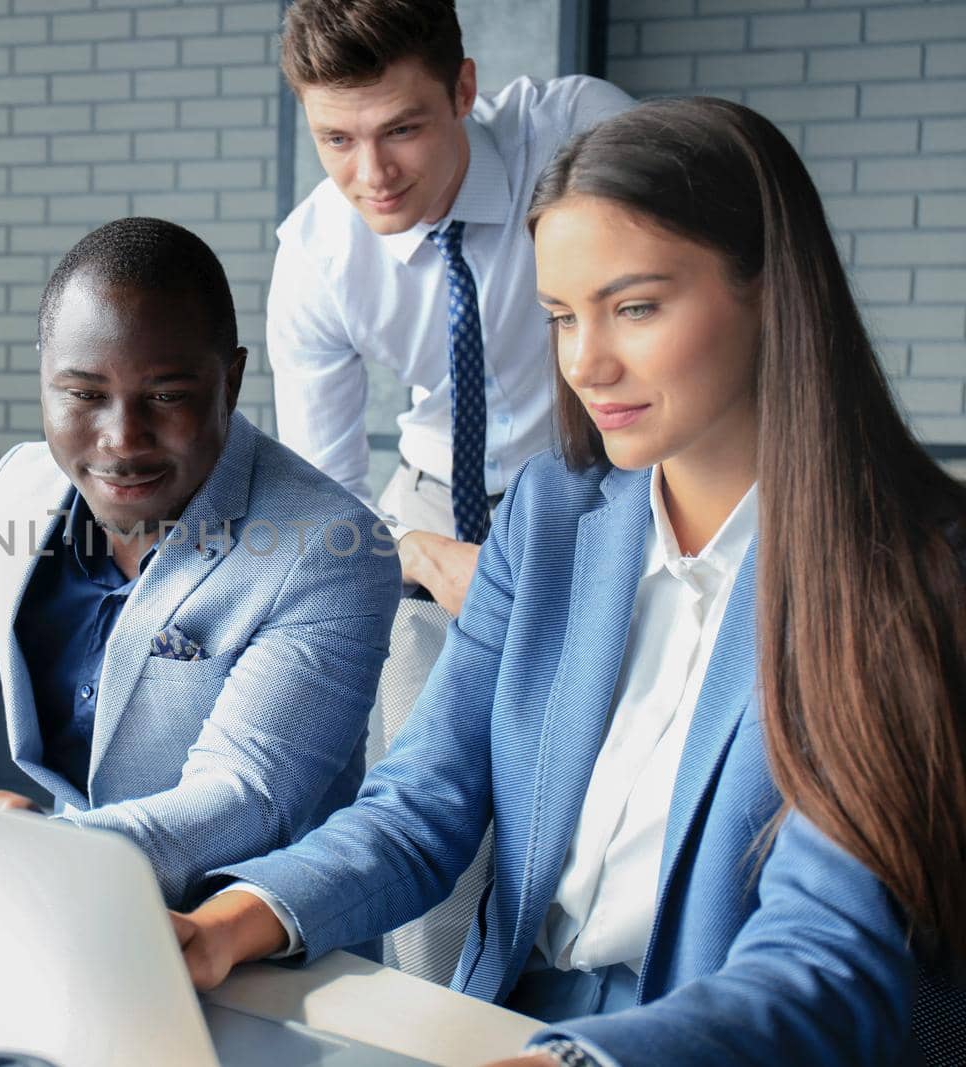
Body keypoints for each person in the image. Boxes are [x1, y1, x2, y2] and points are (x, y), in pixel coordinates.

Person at [171, 97, 965, 1065]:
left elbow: (823, 959)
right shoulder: (551, 516)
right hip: (502, 1022)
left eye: (634, 306)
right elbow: (421, 803)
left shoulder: (908, 571)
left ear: (767, 289)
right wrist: (229, 919)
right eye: (558, 316)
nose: (586, 362)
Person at [0, 217, 401, 908]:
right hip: (56, 918)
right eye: (82, 394)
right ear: (45, 380)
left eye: (166, 396)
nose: (121, 439)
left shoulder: (334, 547)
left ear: (230, 380)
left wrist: (30, 851)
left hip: (250, 961)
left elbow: (243, 797)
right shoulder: (18, 488)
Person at [269, 0, 630, 613]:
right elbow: (320, 493)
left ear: (463, 89)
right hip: (428, 499)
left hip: (597, 476)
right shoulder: (316, 257)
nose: (373, 175)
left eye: (401, 129)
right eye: (337, 139)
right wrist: (423, 553)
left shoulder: (580, 130)